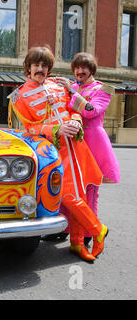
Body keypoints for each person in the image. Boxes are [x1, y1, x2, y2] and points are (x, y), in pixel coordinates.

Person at [8, 46, 108, 262]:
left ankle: (77, 243)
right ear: (29, 67)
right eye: (37, 65)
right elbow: (27, 128)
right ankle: (98, 229)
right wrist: (54, 129)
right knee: (64, 194)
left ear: (49, 68)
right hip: (51, 151)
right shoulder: (18, 96)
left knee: (79, 194)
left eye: (44, 65)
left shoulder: (60, 85)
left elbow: (75, 110)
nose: (40, 69)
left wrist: (75, 120)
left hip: (76, 147)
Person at [55, 52, 120, 242]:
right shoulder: (71, 86)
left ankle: (89, 231)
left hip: (92, 142)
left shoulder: (103, 89)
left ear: (91, 70)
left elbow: (91, 111)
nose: (79, 71)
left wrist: (71, 92)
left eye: (84, 67)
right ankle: (65, 227)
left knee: (90, 188)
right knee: (67, 186)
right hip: (71, 143)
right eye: (76, 67)